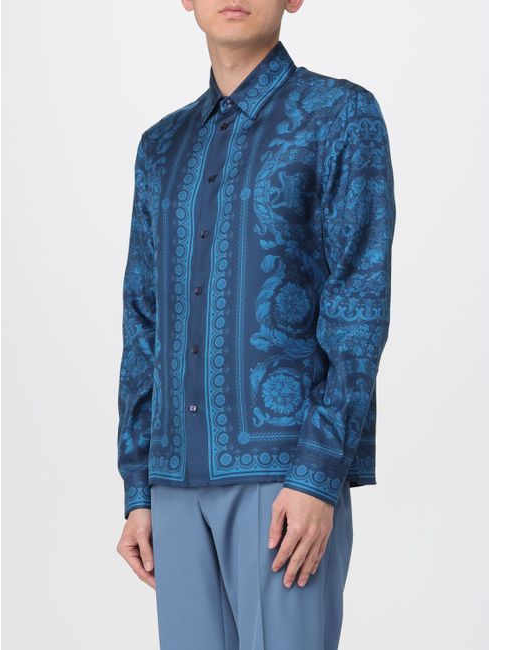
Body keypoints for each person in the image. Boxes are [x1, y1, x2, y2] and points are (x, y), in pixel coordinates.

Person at [116, 1, 396, 648]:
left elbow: (359, 299)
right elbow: (142, 316)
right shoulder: (160, 146)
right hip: (174, 479)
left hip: (286, 478)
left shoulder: (339, 116)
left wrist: (318, 473)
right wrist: (138, 486)